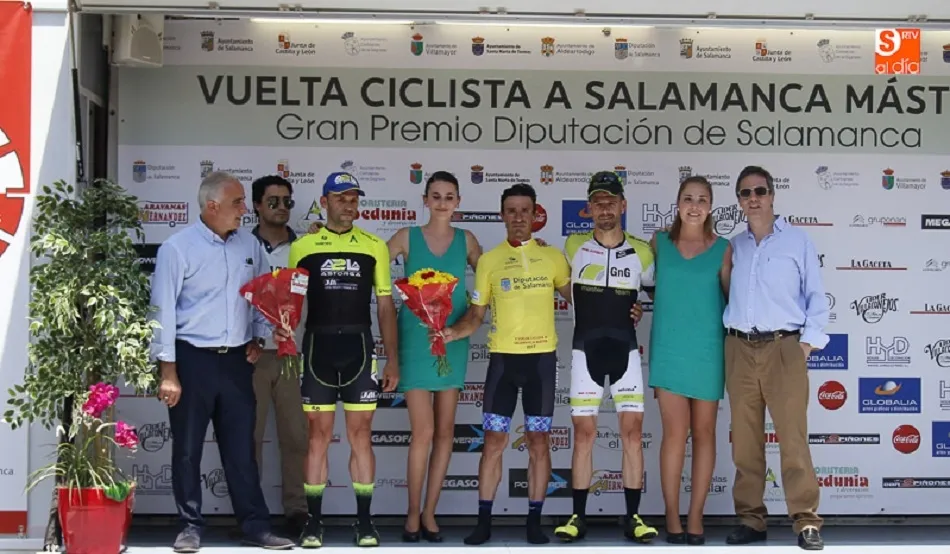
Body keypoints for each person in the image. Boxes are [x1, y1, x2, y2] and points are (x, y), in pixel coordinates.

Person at [151, 171, 294, 552]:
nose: (244, 210)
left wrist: (260, 335)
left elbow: (263, 296)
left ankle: (255, 525)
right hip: (191, 360)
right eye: (237, 203)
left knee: (241, 448)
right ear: (212, 206)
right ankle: (190, 525)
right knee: (187, 448)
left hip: (236, 362)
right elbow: (161, 311)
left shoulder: (250, 245)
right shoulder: (177, 248)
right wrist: (168, 371)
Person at [440, 183, 571, 546]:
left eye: (524, 210)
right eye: (511, 211)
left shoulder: (554, 257)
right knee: (494, 442)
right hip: (502, 363)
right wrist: (450, 333)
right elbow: (476, 315)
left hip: (541, 363)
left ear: (535, 214)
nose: (518, 217)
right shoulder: (489, 260)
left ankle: (534, 522)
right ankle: (483, 522)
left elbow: (579, 298)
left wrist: (621, 310)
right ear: (502, 215)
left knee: (539, 442)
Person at [278, 171, 400, 548]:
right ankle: (313, 522)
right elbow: (291, 303)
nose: (349, 205)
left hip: (360, 352)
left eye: (354, 198)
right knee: (317, 437)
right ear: (325, 201)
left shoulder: (374, 246)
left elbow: (384, 305)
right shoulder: (303, 247)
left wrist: (392, 358)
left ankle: (364, 522)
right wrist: (282, 330)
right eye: (341, 198)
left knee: (360, 436)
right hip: (317, 349)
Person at [723, 165, 827, 551]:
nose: (753, 198)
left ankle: (806, 521)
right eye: (746, 192)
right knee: (745, 443)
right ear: (738, 200)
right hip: (738, 347)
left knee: (793, 440)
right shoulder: (733, 246)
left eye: (760, 191)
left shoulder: (798, 241)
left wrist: (804, 345)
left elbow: (817, 297)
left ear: (772, 195)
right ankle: (751, 519)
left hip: (785, 347)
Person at [554, 171, 658, 544]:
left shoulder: (644, 251)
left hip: (626, 351)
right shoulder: (573, 245)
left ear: (622, 205)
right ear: (589, 209)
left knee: (632, 433)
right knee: (584, 435)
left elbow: (656, 294)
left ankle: (633, 517)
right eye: (597, 202)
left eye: (610, 201)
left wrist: (641, 309)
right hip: (585, 351)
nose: (604, 208)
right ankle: (576, 517)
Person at [386, 171, 481, 543]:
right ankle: (411, 512)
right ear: (425, 200)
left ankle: (430, 512)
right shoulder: (407, 236)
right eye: (436, 196)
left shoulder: (467, 239)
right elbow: (374, 264)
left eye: (449, 196)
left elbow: (487, 279)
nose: (442, 202)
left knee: (444, 433)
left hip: (453, 337)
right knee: (422, 431)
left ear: (458, 202)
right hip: (415, 340)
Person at [646, 176, 732, 545]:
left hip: (708, 352)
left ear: (711, 206)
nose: (694, 206)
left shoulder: (724, 248)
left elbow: (734, 302)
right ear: (677, 203)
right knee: (674, 436)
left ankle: (696, 515)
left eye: (701, 199)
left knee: (706, 434)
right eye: (687, 198)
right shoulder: (659, 243)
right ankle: (671, 514)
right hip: (668, 351)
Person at [249, 174, 310, 536]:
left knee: (295, 436)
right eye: (273, 201)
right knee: (248, 438)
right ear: (257, 205)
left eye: (287, 201)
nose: (282, 208)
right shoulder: (240, 246)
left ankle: (298, 511)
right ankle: (252, 513)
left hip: (293, 355)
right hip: (252, 356)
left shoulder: (303, 248)